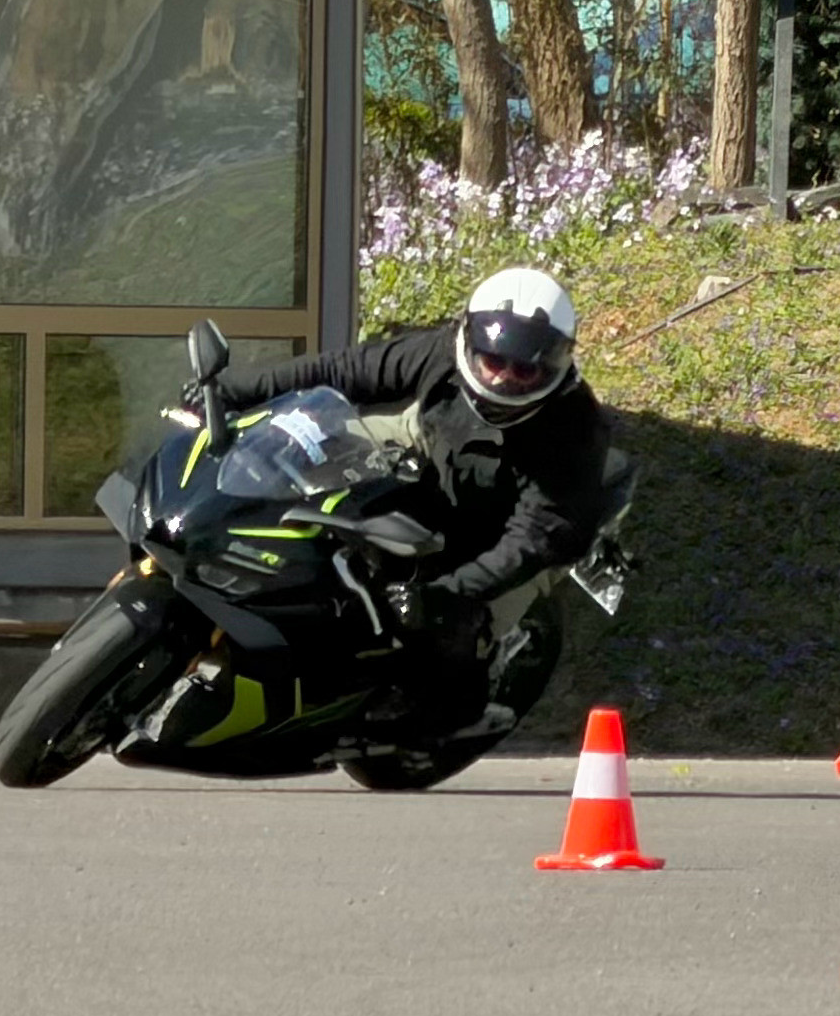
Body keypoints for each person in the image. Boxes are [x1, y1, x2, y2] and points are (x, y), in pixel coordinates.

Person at [194, 266, 612, 728]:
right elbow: (342, 370)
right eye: (494, 362)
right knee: (305, 447)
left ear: (552, 366)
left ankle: (452, 720)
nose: (504, 379)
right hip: (430, 446)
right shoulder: (441, 351)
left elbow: (536, 537)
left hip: (506, 528)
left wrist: (449, 594)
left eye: (525, 369)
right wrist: (236, 394)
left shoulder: (573, 427)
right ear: (471, 345)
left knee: (448, 627)